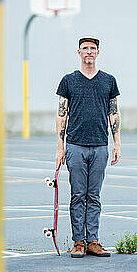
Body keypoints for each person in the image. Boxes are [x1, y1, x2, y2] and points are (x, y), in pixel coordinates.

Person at [56, 37, 121, 258]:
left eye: (93, 49)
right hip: (75, 145)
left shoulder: (108, 81)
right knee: (77, 195)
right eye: (85, 49)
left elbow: (114, 112)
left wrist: (117, 143)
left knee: (94, 196)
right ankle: (78, 242)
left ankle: (93, 240)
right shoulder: (69, 81)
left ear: (98, 53)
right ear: (79, 52)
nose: (89, 52)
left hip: (100, 146)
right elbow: (61, 114)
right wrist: (60, 147)